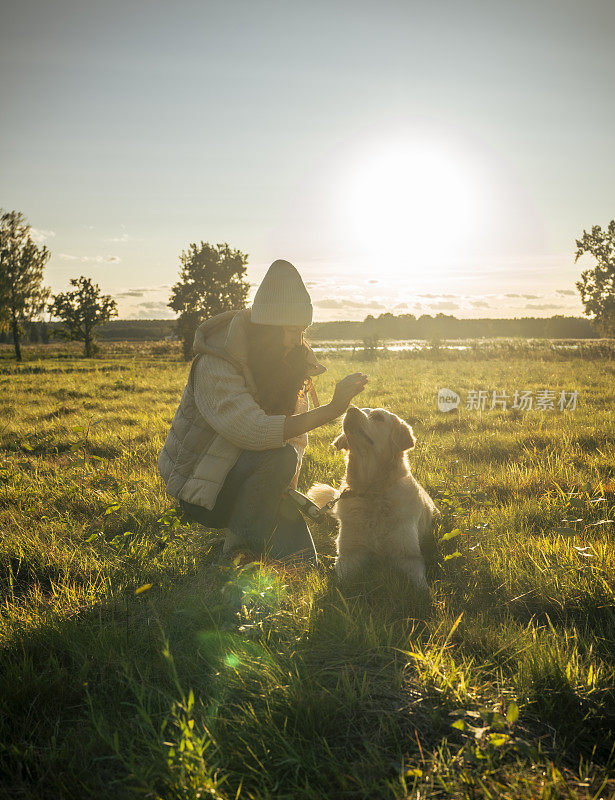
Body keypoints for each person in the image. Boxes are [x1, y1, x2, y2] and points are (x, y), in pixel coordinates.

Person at [158, 259, 367, 565]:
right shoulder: (215, 363)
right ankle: (237, 550)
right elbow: (254, 430)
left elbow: (296, 440)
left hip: (246, 476)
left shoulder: (290, 361)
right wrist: (334, 408)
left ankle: (290, 555)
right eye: (292, 331)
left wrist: (285, 487)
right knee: (277, 458)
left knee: (304, 561)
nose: (300, 340)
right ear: (266, 331)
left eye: (303, 331)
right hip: (199, 491)